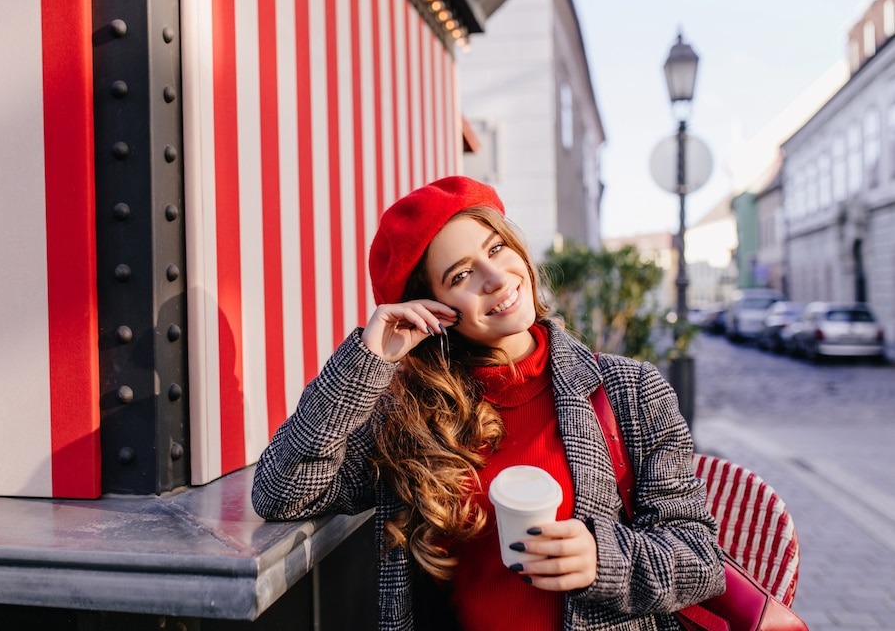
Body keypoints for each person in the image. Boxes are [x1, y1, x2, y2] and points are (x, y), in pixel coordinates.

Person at [252, 176, 724, 630]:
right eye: (461, 274)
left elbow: (700, 560)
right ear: (432, 307)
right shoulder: (407, 417)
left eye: (496, 248)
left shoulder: (630, 390)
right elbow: (281, 492)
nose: (496, 278)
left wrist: (604, 560)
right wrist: (367, 361)